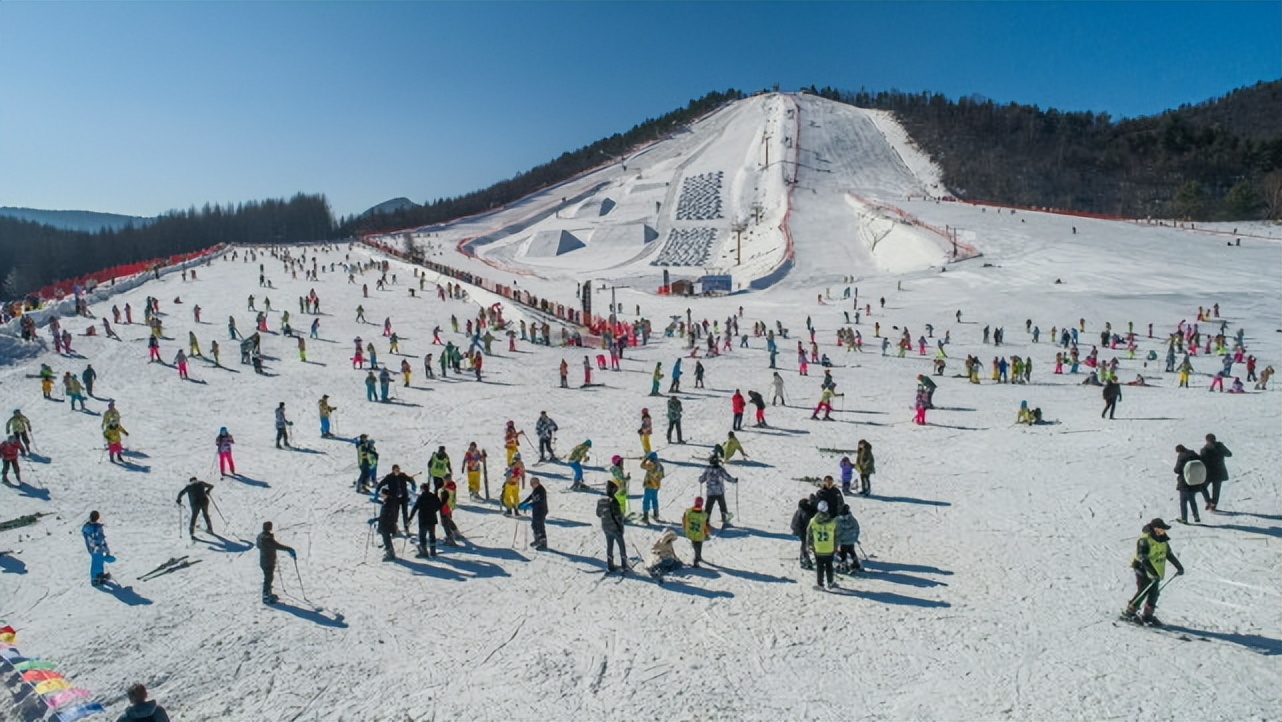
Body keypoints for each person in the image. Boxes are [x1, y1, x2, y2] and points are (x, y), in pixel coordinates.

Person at [1122, 518, 1184, 626]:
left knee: (1154, 593)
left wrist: (1179, 567)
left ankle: (1148, 615)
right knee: (1143, 590)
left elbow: (1168, 554)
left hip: (1155, 570)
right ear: (1155, 528)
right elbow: (1142, 557)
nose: (1163, 531)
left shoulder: (1163, 540)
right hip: (1142, 568)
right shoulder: (1144, 540)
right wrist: (1153, 572)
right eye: (1161, 529)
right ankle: (1129, 613)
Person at [257, 521, 295, 604]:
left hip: (264, 560)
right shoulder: (267, 539)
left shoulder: (260, 536)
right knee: (268, 578)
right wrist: (289, 549)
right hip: (268, 561)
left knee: (269, 577)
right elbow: (276, 546)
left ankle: (268, 593)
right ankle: (266, 596)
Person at [597, 482, 628, 572]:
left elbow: (598, 514)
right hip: (615, 527)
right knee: (621, 545)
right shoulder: (614, 501)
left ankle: (610, 564)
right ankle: (624, 564)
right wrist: (621, 526)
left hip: (605, 526)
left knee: (609, 545)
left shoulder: (600, 500)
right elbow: (618, 516)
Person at [807, 500, 838, 590]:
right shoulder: (832, 522)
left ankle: (820, 584)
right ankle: (830, 582)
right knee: (829, 566)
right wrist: (836, 546)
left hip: (818, 548)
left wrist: (809, 545)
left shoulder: (813, 521)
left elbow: (809, 535)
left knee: (819, 567)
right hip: (829, 548)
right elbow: (836, 536)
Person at [375, 464, 414, 532]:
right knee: (395, 513)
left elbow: (409, 479)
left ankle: (406, 527)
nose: (398, 471)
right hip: (394, 498)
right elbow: (382, 483)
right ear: (393, 470)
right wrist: (377, 489)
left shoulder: (403, 475)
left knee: (405, 513)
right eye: (396, 470)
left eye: (398, 470)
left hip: (404, 497)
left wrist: (412, 482)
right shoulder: (389, 477)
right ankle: (394, 526)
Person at [1173, 444, 1207, 524]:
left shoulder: (1182, 457)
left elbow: (1177, 470)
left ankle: (1184, 518)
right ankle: (1196, 516)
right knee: (1192, 500)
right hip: (1195, 480)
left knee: (1183, 501)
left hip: (1184, 482)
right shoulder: (1193, 453)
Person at [1199, 433, 1232, 512]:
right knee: (1216, 489)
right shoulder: (1220, 447)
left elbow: (1202, 461)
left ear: (1207, 440)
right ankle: (1214, 504)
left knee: (1202, 486)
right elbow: (1229, 454)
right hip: (1219, 471)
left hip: (1208, 472)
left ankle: (1208, 500)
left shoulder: (1204, 450)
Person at [699, 456, 736, 525]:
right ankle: (724, 519)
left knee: (708, 508)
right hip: (719, 492)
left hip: (710, 492)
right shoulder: (720, 469)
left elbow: (703, 478)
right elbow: (727, 477)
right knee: (722, 506)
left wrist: (700, 479)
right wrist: (734, 480)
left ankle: (706, 521)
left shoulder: (708, 469)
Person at [409, 482, 442, 557]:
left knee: (422, 536)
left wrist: (410, 518)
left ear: (422, 489)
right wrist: (434, 510)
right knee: (432, 535)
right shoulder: (433, 496)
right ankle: (433, 551)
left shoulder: (421, 498)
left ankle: (424, 552)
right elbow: (439, 505)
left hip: (423, 519)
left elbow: (415, 508)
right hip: (432, 518)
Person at [82, 510, 114, 586]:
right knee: (97, 562)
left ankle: (99, 575)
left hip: (92, 548)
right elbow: (101, 539)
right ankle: (95, 578)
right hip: (97, 548)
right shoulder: (97, 528)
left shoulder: (86, 527)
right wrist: (106, 549)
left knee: (98, 561)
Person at [519, 476, 549, 550]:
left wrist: (530, 505)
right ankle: (537, 539)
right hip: (536, 510)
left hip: (541, 510)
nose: (531, 486)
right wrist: (524, 502)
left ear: (537, 483)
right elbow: (531, 496)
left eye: (532, 484)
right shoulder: (536, 489)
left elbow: (540, 501)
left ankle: (543, 542)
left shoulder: (541, 490)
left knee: (540, 525)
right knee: (534, 525)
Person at [682, 497, 710, 568]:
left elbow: (684, 519)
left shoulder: (688, 512)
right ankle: (697, 559)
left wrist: (684, 527)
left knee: (695, 545)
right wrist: (707, 533)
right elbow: (706, 525)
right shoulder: (704, 515)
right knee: (699, 546)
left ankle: (698, 556)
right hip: (700, 534)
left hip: (691, 533)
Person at [835, 503, 862, 573]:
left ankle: (844, 564)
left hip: (843, 541)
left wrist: (837, 538)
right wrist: (855, 537)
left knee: (843, 552)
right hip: (851, 540)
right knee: (851, 551)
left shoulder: (838, 520)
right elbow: (857, 528)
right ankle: (856, 562)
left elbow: (837, 530)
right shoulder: (852, 519)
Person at [375, 487, 400, 561]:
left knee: (386, 539)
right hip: (387, 523)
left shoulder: (388, 503)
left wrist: (376, 519)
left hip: (386, 524)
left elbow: (384, 515)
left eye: (382, 494)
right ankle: (391, 553)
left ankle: (389, 554)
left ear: (385, 494)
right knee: (387, 538)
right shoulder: (388, 501)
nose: (381, 495)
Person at [640, 451, 664, 523]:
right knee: (654, 499)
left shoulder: (650, 464)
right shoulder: (660, 466)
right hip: (656, 485)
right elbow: (662, 476)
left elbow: (642, 466)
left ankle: (645, 517)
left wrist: (644, 459)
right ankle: (656, 515)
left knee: (646, 500)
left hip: (649, 485)